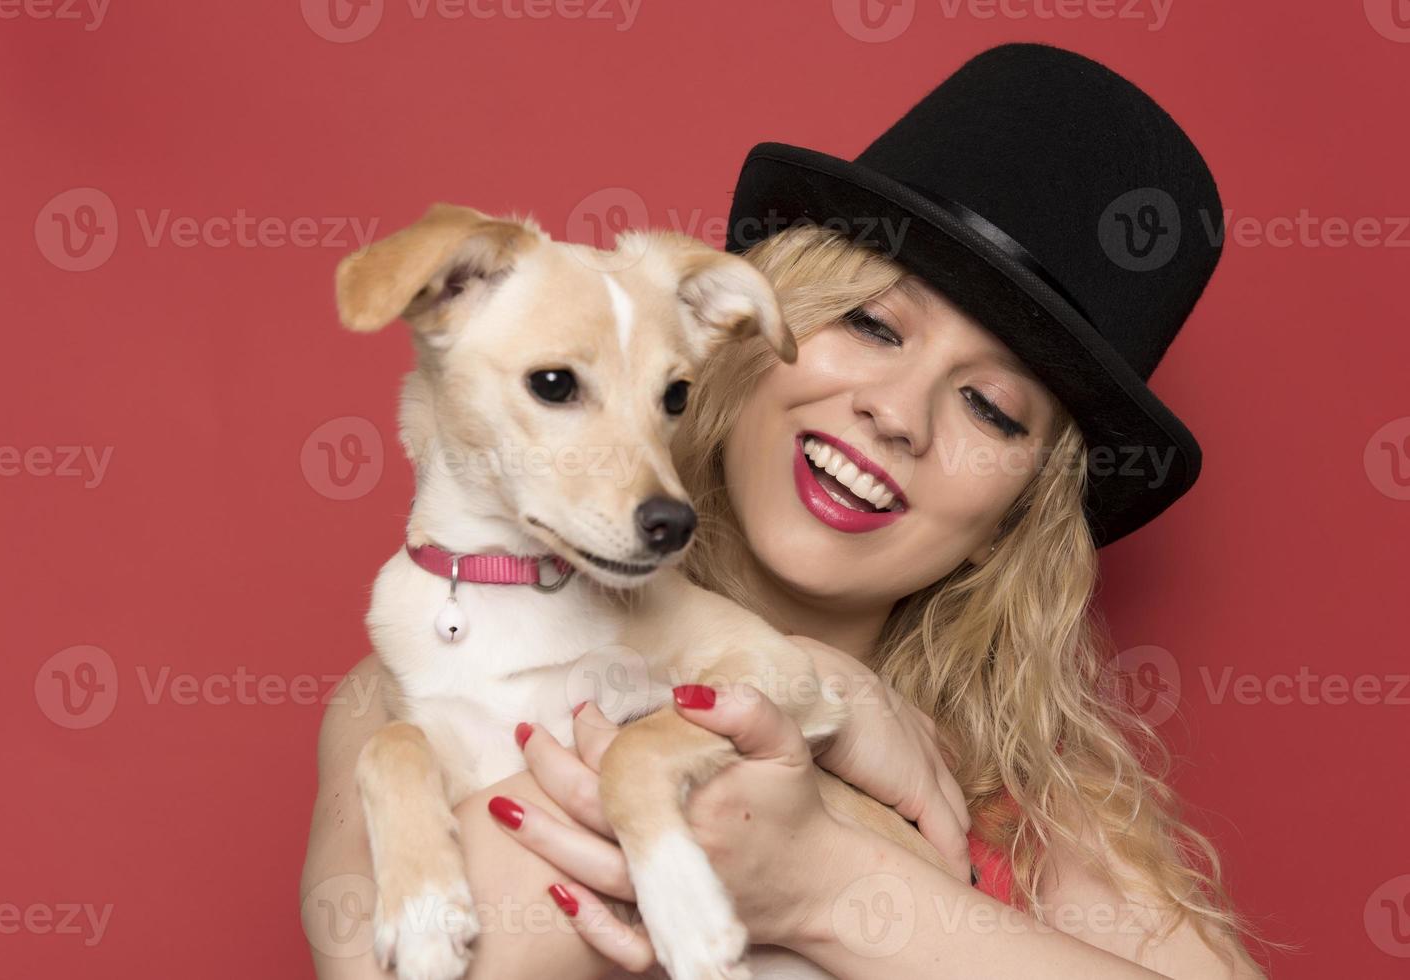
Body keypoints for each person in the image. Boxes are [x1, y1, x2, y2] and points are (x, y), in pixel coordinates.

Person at [302, 43, 1263, 978]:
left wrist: (829, 883)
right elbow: (380, 963)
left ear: (1022, 512)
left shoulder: (1042, 810)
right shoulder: (437, 656)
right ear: (747, 332)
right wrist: (821, 695)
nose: (897, 414)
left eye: (990, 407)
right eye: (871, 324)